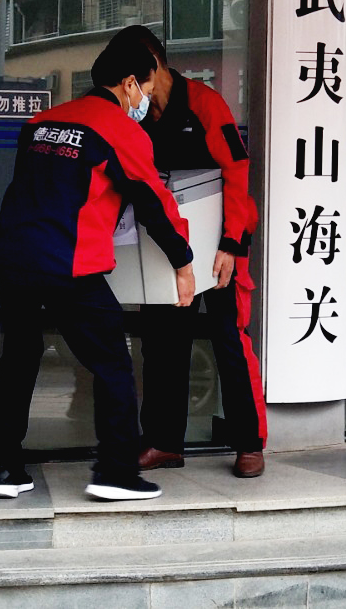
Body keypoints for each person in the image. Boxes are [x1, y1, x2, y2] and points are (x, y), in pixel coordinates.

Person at [0, 32, 197, 502]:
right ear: (129, 84)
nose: (146, 100)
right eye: (146, 88)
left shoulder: (42, 122)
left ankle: (7, 469)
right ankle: (116, 472)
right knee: (113, 364)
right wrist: (183, 263)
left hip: (14, 254)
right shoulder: (120, 130)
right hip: (68, 260)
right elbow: (154, 204)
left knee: (20, 357)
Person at [119, 26, 268, 479]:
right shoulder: (137, 116)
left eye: (132, 76)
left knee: (228, 339)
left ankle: (249, 443)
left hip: (222, 243)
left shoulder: (205, 104)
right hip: (170, 246)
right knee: (162, 343)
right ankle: (164, 442)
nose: (129, 88)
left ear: (152, 64)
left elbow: (237, 170)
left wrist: (230, 243)